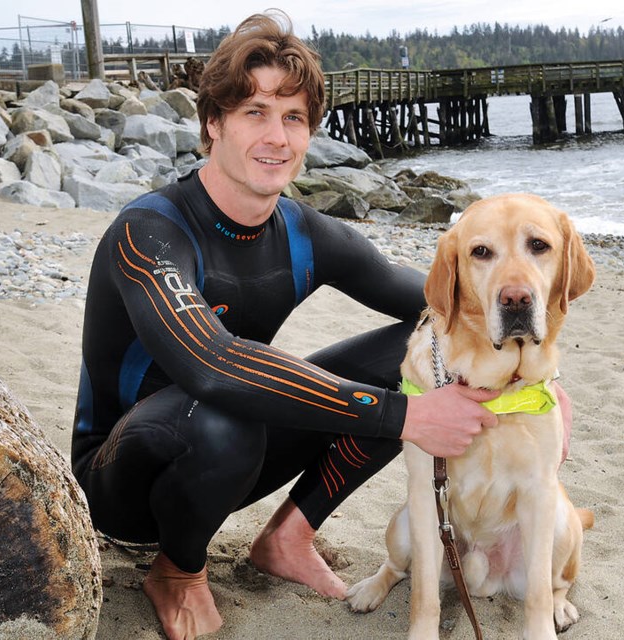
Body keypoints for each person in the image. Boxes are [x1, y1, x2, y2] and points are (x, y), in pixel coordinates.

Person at [70, 10, 571, 640]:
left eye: (294, 118)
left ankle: (289, 534)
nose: (276, 137)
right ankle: (177, 570)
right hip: (122, 481)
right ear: (212, 125)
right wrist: (406, 416)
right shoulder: (148, 232)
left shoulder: (305, 233)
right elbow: (213, 366)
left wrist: (533, 379)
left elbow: (445, 305)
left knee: (414, 352)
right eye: (254, 112)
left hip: (233, 459)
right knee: (227, 405)